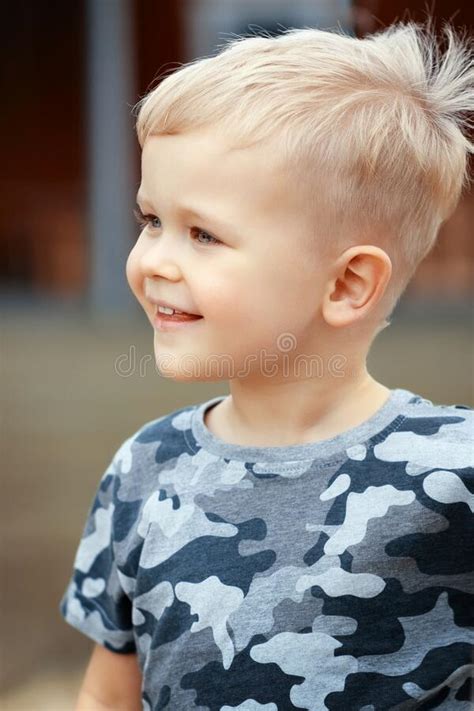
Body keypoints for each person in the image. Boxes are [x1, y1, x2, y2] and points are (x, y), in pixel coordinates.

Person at [60, 19, 474, 710]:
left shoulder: (455, 473)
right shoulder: (143, 470)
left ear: (345, 285)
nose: (154, 260)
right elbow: (106, 696)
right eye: (150, 220)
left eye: (203, 233)